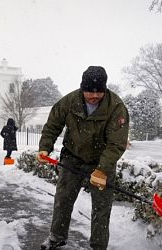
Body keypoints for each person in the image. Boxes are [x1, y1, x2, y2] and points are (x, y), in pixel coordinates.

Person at [37, 66, 129, 250]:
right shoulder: (70, 101)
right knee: (63, 199)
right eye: (89, 91)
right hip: (73, 157)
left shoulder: (116, 107)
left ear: (105, 88)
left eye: (99, 91)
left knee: (101, 208)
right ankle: (57, 237)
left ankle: (98, 246)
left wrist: (102, 170)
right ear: (82, 88)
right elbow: (52, 125)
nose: (94, 96)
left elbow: (116, 144)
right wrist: (44, 148)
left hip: (101, 160)